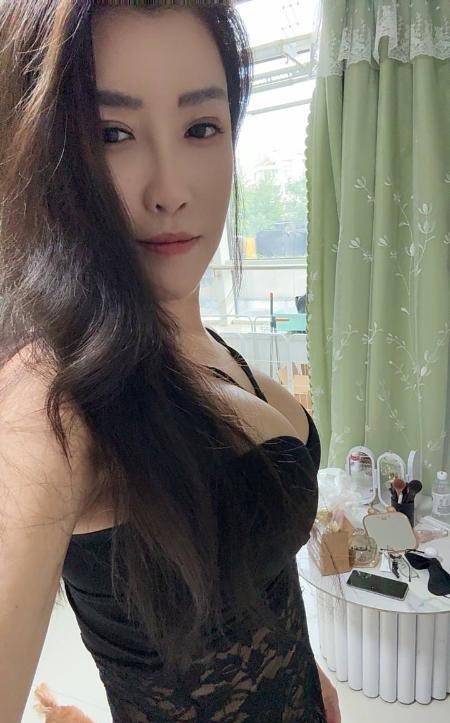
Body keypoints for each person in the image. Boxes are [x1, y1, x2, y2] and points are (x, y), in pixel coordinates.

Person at [0, 2, 340, 722]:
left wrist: (307, 677)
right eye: (113, 133)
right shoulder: (52, 396)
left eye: (201, 127)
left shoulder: (206, 342)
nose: (172, 191)